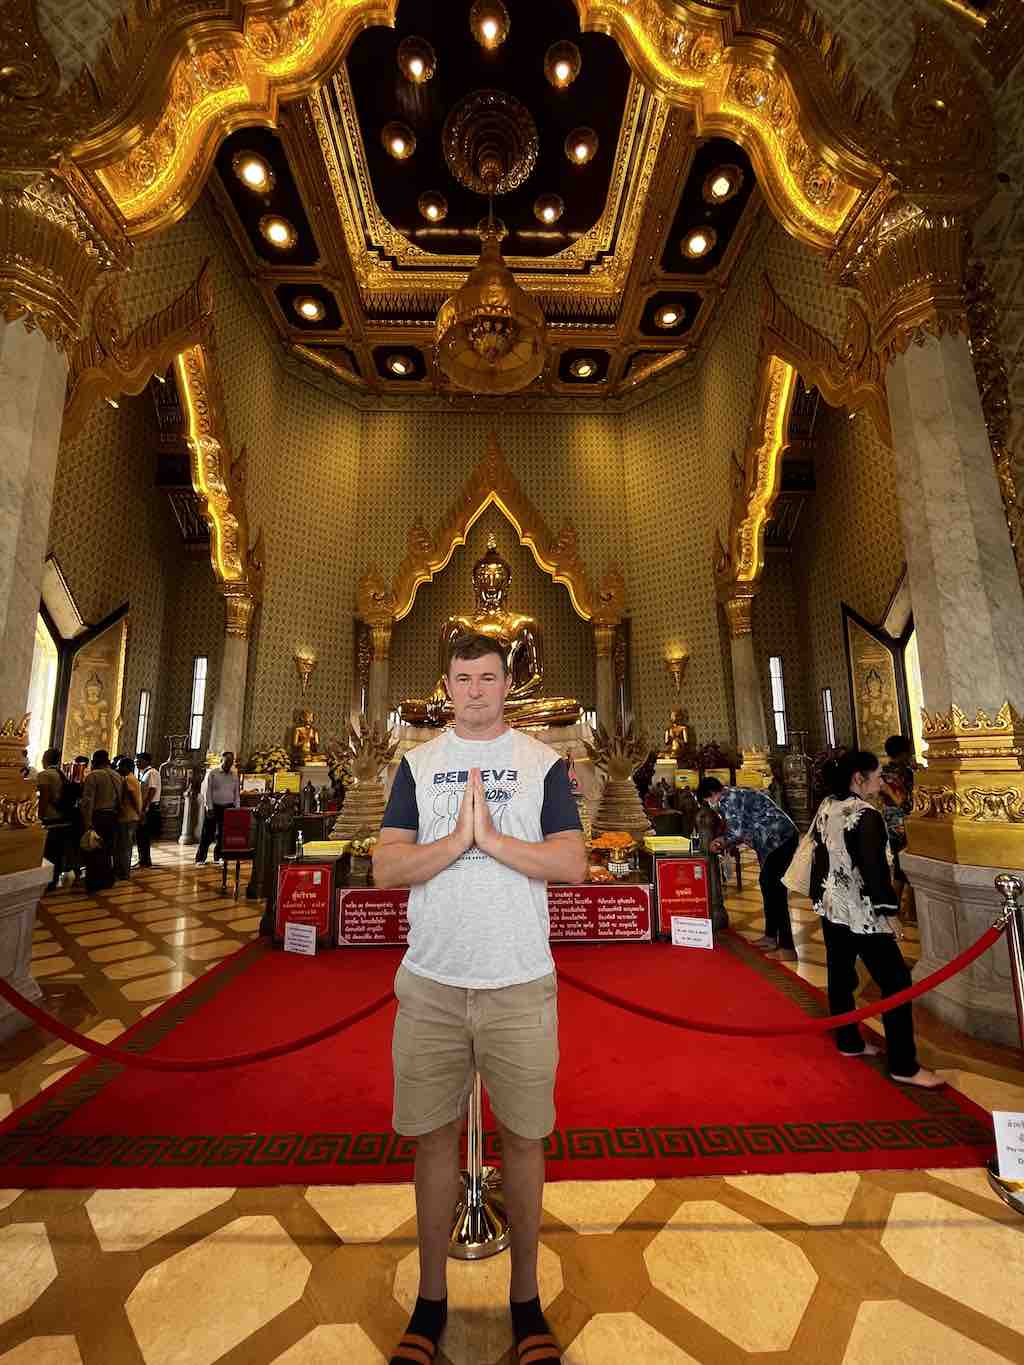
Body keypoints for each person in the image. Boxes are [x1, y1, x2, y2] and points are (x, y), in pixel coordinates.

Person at [374, 632, 586, 1365]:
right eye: (462, 679)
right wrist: (456, 844)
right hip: (431, 983)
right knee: (432, 1140)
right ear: (446, 684)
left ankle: (525, 1300)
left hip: (519, 982)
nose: (474, 690)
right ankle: (430, 1300)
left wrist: (492, 840)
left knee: (525, 1140)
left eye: (488, 678)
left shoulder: (542, 762)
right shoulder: (418, 763)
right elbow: (384, 865)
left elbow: (572, 861)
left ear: (508, 684)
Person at [808, 750, 943, 1087]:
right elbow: (874, 869)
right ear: (859, 778)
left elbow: (818, 853)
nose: (883, 781)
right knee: (896, 982)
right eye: (878, 774)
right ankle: (904, 1065)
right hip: (863, 912)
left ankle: (848, 1040)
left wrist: (819, 895)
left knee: (840, 974)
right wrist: (889, 913)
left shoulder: (827, 806)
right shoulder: (866, 815)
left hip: (832, 905)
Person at [697, 776, 799, 960]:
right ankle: (770, 937)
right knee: (767, 885)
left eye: (707, 800)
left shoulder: (728, 799)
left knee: (776, 890)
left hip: (779, 839)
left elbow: (737, 831)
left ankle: (787, 947)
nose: (710, 804)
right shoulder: (734, 793)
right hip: (771, 841)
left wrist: (720, 842)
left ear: (712, 794)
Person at [79, 750, 123, 893]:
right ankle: (107, 879)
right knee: (107, 849)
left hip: (98, 816)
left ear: (96, 761)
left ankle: (94, 882)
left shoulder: (94, 775)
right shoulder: (117, 775)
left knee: (94, 849)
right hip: (112, 816)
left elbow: (88, 801)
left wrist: (87, 821)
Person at [195, 751, 240, 865]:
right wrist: (209, 807)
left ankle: (219, 856)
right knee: (207, 833)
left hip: (228, 807)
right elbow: (207, 791)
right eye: (227, 761)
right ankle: (200, 858)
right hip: (214, 806)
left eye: (231, 761)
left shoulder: (234, 774)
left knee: (223, 834)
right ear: (221, 760)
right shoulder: (213, 773)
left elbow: (236, 793)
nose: (229, 763)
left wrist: (236, 809)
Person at [37, 749, 72, 892]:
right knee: (57, 851)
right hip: (61, 816)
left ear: (45, 759)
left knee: (47, 852)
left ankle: (46, 881)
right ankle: (54, 878)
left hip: (49, 817)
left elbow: (44, 798)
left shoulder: (45, 775)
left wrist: (39, 817)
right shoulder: (61, 774)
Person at [113, 756, 142, 880]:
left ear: (127, 767)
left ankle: (124, 872)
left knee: (125, 846)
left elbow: (134, 799)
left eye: (120, 766)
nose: (118, 768)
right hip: (128, 816)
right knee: (122, 845)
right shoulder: (128, 778)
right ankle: (121, 870)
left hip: (128, 816)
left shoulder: (129, 779)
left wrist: (139, 813)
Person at [135, 752, 161, 868]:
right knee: (141, 836)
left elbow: (152, 791)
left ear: (146, 761)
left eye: (138, 760)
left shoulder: (152, 773)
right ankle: (143, 860)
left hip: (149, 808)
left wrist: (144, 808)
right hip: (146, 807)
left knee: (144, 835)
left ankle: (145, 861)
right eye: (136, 761)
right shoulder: (144, 773)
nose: (136, 763)